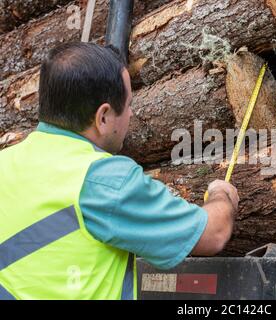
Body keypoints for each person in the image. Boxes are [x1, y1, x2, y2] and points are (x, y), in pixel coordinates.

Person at [0, 42, 239, 300]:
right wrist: (221, 195)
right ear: (103, 117)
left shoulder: (6, 162)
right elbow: (213, 234)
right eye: (128, 105)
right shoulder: (103, 180)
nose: (131, 114)